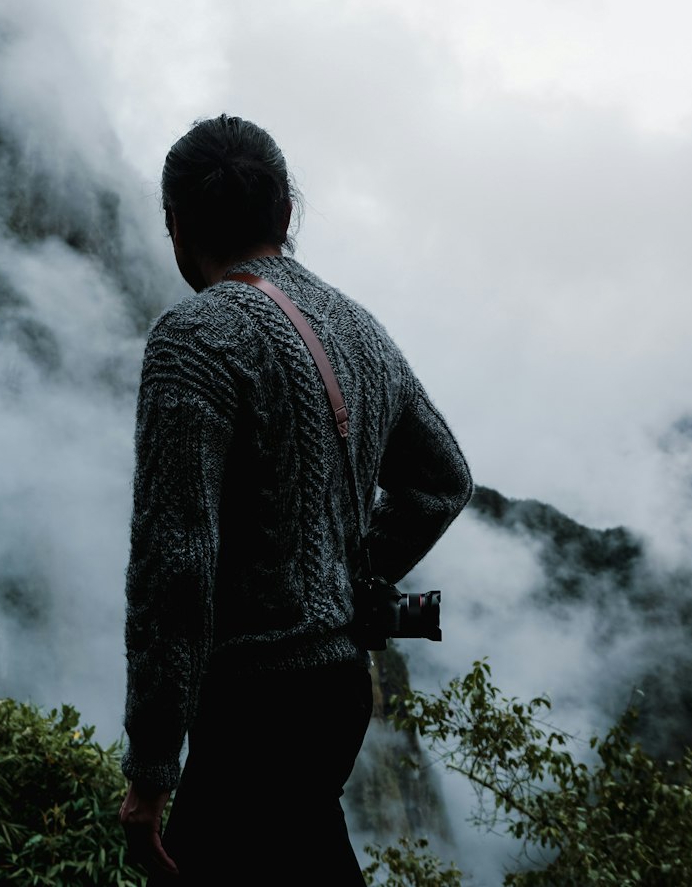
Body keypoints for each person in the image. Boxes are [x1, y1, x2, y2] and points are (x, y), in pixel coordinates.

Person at [119, 114, 473, 885]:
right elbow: (445, 481)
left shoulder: (194, 339)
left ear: (176, 226)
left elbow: (176, 565)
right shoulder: (360, 329)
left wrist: (150, 770)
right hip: (342, 686)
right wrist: (345, 574)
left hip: (253, 703)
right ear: (286, 213)